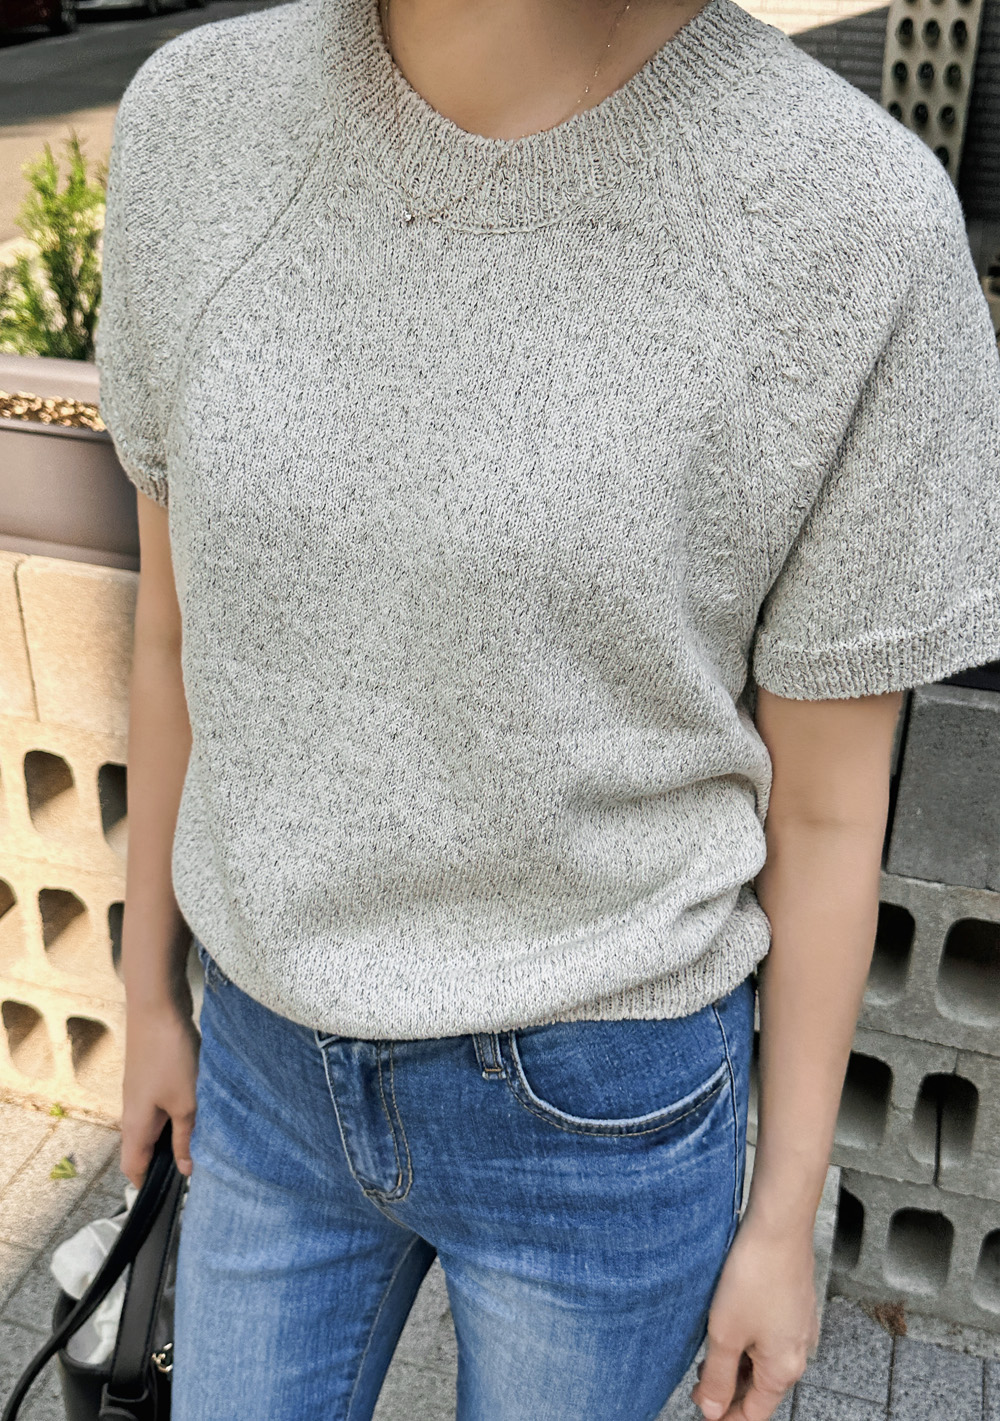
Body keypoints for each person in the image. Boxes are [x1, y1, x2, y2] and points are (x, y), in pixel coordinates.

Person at [95, 0, 1000, 1415]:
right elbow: (172, 633)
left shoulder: (853, 222)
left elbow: (830, 810)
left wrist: (783, 1221)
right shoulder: (199, 123)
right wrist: (149, 996)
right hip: (262, 1062)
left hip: (604, 1098)